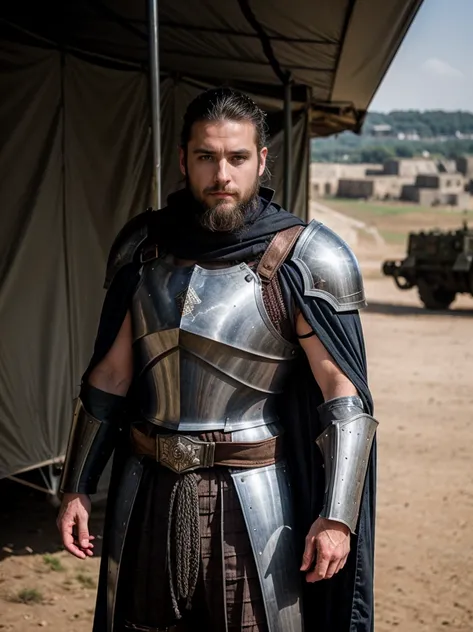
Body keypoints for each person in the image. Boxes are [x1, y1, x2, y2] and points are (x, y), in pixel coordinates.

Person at [57, 87, 377, 632]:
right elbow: (110, 377)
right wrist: (75, 485)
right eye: (206, 157)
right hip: (147, 487)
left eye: (236, 158)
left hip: (255, 501)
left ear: (262, 160)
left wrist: (338, 515)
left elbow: (342, 397)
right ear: (183, 160)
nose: (221, 175)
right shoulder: (143, 247)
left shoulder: (303, 256)